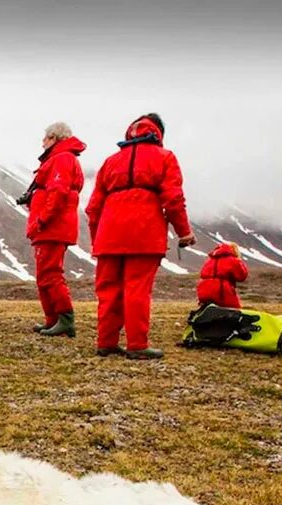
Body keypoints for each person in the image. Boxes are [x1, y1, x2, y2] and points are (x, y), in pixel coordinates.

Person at [85, 113, 196, 359]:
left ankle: (106, 342)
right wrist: (184, 232)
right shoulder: (165, 157)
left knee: (108, 290)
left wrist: (97, 239)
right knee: (137, 289)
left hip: (109, 234)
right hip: (145, 232)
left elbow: (93, 208)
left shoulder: (111, 161)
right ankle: (137, 345)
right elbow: (173, 199)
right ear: (159, 133)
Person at [23, 122, 86, 337]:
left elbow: (57, 192)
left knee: (51, 273)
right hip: (48, 227)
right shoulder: (59, 159)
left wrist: (42, 219)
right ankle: (53, 319)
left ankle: (65, 319)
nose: (42, 143)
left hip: (52, 226)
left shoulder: (62, 159)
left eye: (46, 138)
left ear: (54, 138)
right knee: (44, 274)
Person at [196, 242, 249, 309]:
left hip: (203, 289)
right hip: (221, 290)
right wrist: (239, 262)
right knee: (234, 310)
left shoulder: (210, 260)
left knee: (209, 310)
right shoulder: (233, 260)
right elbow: (241, 276)